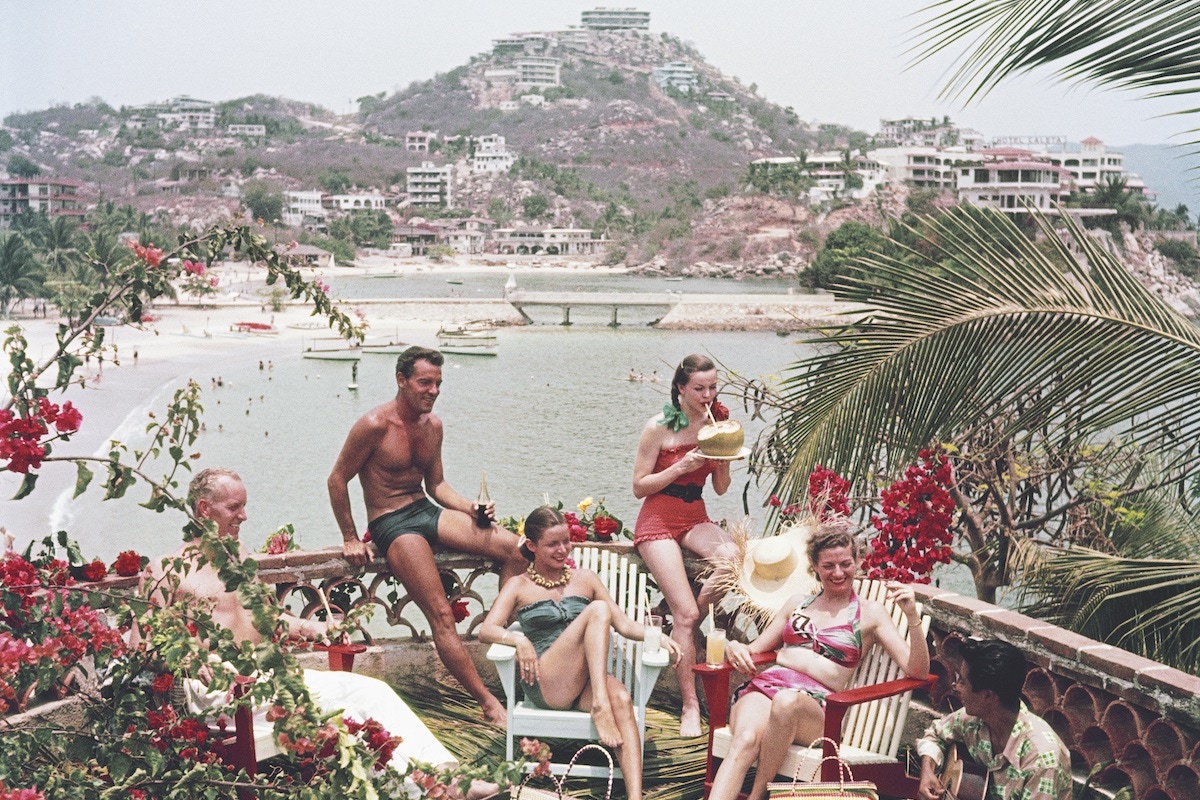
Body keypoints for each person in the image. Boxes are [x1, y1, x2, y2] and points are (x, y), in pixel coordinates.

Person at [145, 468, 467, 783]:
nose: (244, 516)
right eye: (234, 507)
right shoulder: (167, 571)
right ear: (204, 508)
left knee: (373, 690)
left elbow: (267, 616)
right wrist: (194, 659)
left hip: (268, 682)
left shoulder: (237, 557)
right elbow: (143, 648)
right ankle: (427, 788)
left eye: (244, 506)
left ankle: (448, 776)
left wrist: (311, 627)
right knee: (341, 706)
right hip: (222, 693)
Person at [328, 345, 526, 725]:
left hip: (425, 510)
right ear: (401, 380)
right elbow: (337, 479)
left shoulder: (432, 426)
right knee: (440, 614)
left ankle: (496, 627)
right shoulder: (373, 425)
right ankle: (487, 702)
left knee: (515, 549)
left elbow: (436, 484)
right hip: (392, 523)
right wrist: (351, 537)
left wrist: (470, 508)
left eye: (438, 383)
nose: (433, 391)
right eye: (424, 382)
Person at [708, 521, 931, 800]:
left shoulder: (871, 613)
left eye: (846, 564)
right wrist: (736, 647)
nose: (838, 573)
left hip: (819, 708)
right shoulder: (797, 603)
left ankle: (758, 795)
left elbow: (918, 671)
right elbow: (755, 649)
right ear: (814, 566)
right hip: (766, 689)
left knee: (787, 701)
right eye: (828, 566)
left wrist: (911, 617)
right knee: (744, 741)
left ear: (858, 561)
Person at [479, 506, 681, 800]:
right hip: (548, 682)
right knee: (597, 609)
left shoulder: (585, 578)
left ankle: (635, 797)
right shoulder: (518, 585)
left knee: (622, 699)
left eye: (566, 541)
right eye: (552, 544)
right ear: (532, 546)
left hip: (585, 681)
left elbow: (623, 624)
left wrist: (658, 636)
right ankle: (601, 704)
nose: (562, 550)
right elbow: (487, 629)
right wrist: (518, 641)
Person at [632, 353, 738, 736]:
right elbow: (638, 486)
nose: (707, 395)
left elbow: (722, 489)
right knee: (688, 617)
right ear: (680, 387)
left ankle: (688, 616)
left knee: (735, 562)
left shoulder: (718, 422)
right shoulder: (659, 427)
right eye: (699, 388)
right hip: (658, 517)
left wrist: (723, 461)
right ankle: (690, 705)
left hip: (695, 515)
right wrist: (679, 467)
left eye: (713, 387)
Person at [916, 638, 1071, 800]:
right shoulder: (972, 720)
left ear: (988, 696)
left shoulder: (1041, 758)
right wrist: (927, 770)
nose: (956, 687)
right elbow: (935, 734)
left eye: (963, 681)